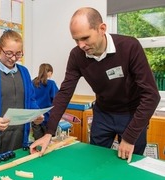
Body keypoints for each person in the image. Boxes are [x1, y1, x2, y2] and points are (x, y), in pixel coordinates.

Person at [30, 7, 160, 163]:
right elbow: (64, 93)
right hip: (103, 114)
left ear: (102, 29)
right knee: (96, 161)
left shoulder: (130, 47)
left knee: (129, 164)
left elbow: (152, 95)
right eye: (76, 39)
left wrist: (130, 137)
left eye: (85, 38)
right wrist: (48, 133)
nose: (81, 45)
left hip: (132, 115)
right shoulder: (77, 55)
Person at [0, 29, 43, 154]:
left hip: (21, 138)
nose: (13, 58)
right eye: (9, 53)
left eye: (18, 54)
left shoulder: (24, 72)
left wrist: (36, 114)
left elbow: (30, 100)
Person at [32, 63, 58, 140]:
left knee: (38, 141)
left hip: (35, 116)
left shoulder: (32, 82)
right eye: (51, 73)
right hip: (48, 117)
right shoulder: (51, 83)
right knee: (48, 141)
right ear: (49, 72)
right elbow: (56, 98)